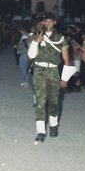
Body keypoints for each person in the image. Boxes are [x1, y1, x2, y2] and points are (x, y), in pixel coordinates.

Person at [27, 12, 73, 143]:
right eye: (45, 21)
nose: (47, 23)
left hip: (53, 71)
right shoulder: (35, 36)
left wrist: (64, 79)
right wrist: (36, 42)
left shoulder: (60, 39)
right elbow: (30, 56)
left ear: (54, 23)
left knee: (54, 102)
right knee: (40, 102)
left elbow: (66, 60)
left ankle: (53, 125)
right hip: (39, 71)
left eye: (50, 21)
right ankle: (40, 131)